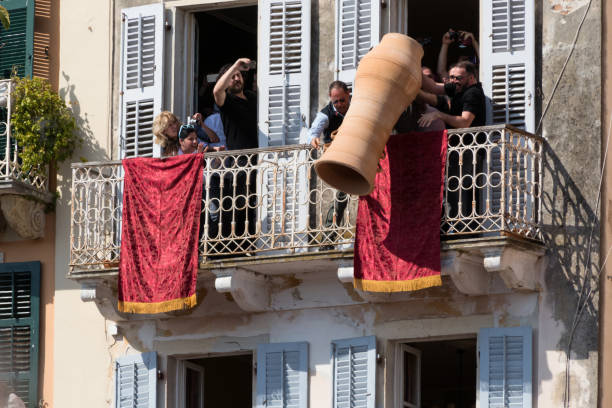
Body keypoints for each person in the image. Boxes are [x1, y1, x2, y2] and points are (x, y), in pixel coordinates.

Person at [212, 58, 258, 253]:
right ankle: (241, 247)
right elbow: (216, 91)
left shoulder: (253, 97)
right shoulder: (227, 103)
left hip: (260, 159)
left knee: (258, 202)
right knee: (241, 205)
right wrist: (235, 66)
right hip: (241, 163)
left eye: (239, 76)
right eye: (232, 77)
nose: (237, 79)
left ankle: (255, 242)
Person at [308, 81, 352, 248]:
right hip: (341, 158)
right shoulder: (325, 115)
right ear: (330, 99)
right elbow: (312, 133)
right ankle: (328, 238)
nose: (340, 105)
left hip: (359, 153)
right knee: (341, 197)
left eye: (342, 100)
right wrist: (313, 139)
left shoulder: (357, 104)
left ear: (348, 94)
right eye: (336, 102)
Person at [418, 61, 485, 129]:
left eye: (458, 78)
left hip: (470, 139)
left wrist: (438, 114)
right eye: (451, 77)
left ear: (471, 78)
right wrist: (415, 68)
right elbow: (433, 87)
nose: (453, 81)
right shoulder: (458, 86)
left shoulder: (473, 93)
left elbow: (464, 123)